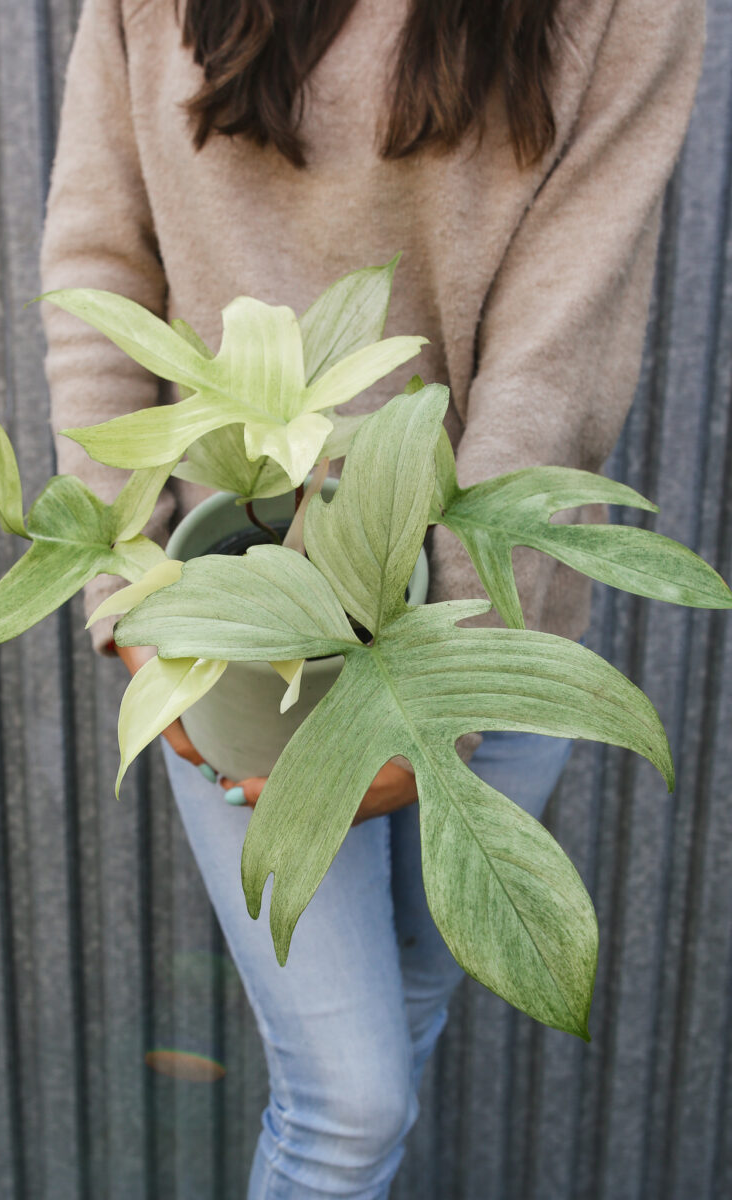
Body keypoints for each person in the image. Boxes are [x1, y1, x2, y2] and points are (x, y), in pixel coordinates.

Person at [39, 0, 705, 1194]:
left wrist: (433, 702)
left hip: (483, 616)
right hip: (240, 619)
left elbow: (559, 347)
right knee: (347, 1104)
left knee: (401, 1011)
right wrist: (129, 589)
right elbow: (99, 263)